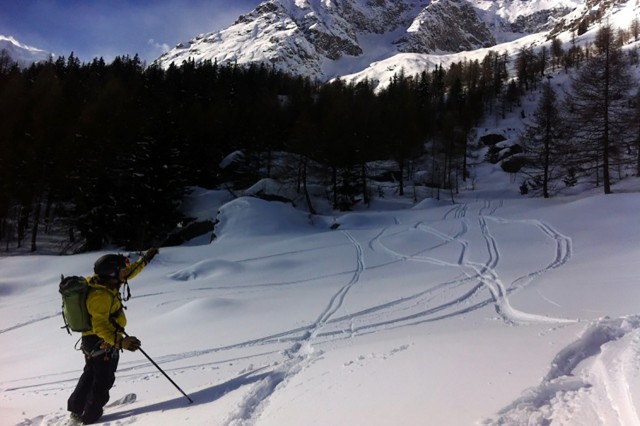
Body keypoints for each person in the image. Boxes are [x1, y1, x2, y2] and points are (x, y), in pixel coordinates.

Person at [67, 248, 159, 424]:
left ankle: (76, 409)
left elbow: (128, 273)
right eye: (121, 270)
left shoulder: (103, 282)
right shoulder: (100, 295)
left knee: (90, 373)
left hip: (92, 341)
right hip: (101, 340)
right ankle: (90, 416)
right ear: (112, 273)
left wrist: (145, 259)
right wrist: (121, 342)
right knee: (103, 379)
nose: (125, 273)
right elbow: (100, 325)